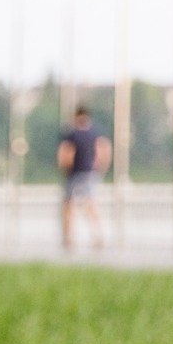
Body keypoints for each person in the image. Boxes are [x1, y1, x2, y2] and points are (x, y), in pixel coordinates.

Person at [57, 105, 110, 251]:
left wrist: (64, 168)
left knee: (69, 204)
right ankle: (99, 235)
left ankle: (68, 237)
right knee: (90, 204)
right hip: (90, 173)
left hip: (73, 173)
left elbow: (66, 152)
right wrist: (100, 168)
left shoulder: (72, 134)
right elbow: (104, 150)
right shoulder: (95, 133)